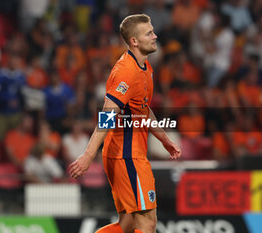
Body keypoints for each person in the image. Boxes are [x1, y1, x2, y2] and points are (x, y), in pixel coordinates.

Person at [69, 14, 181, 233]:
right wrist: (87, 156)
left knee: (128, 224)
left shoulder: (145, 68)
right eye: (149, 33)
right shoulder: (126, 72)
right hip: (126, 156)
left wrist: (164, 139)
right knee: (147, 222)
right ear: (134, 41)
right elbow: (107, 116)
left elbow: (143, 109)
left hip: (128, 154)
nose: (155, 36)